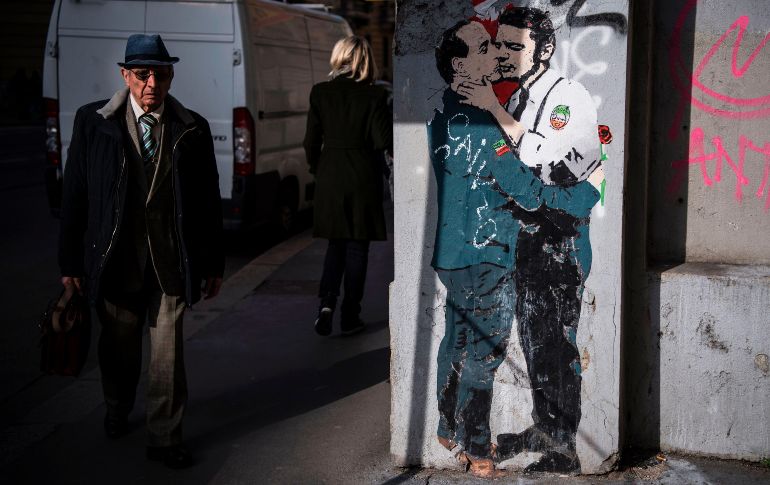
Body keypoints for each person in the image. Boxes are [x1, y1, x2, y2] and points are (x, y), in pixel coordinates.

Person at [428, 19, 602, 477]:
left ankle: (560, 445)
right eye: (496, 45)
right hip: (517, 243)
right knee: (530, 340)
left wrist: (580, 197)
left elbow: (556, 168)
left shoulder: (568, 97)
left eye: (512, 46)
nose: (503, 54)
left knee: (552, 345)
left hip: (558, 241)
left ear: (544, 51)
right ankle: (540, 428)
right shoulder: (510, 100)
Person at [58, 34, 224, 469]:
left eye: (162, 73)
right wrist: (71, 263)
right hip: (115, 263)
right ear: (125, 75)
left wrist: (212, 264)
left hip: (170, 264)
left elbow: (208, 201)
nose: (153, 82)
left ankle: (164, 437)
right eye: (143, 74)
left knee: (168, 357)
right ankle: (116, 405)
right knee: (119, 350)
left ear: (171, 76)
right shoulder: (93, 123)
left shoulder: (193, 127)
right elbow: (74, 196)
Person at [303, 36, 392, 337]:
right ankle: (350, 315)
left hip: (330, 176)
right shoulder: (374, 96)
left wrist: (318, 169)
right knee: (357, 249)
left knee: (335, 245)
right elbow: (383, 141)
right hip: (362, 178)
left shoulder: (320, 93)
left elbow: (311, 142)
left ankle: (326, 303)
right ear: (366, 60)